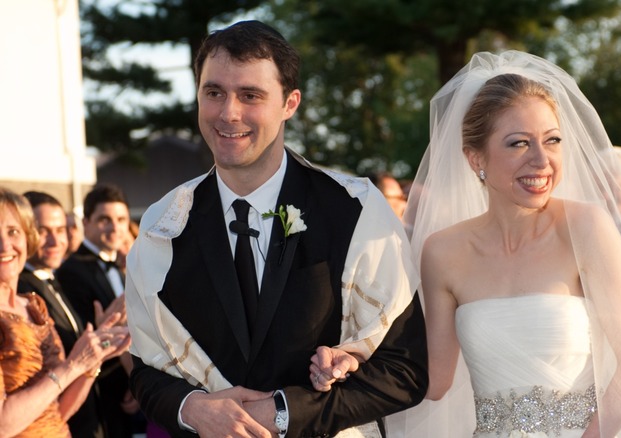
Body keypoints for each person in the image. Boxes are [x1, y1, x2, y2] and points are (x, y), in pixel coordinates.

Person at [124, 20, 427, 437]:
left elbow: (404, 370)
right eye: (214, 93)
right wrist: (193, 409)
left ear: (290, 103)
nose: (228, 113)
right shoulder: (164, 226)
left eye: (250, 95)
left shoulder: (354, 210)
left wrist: (284, 412)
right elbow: (145, 370)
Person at [381, 51, 621, 437]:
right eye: (519, 143)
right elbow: (435, 380)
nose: (542, 160)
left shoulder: (586, 228)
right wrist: (354, 355)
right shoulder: (442, 251)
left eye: (552, 140)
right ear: (475, 158)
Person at [0, 187, 129, 437]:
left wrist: (94, 358)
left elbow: (57, 411)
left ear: (27, 236)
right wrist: (73, 365)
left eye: (13, 231)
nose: (5, 245)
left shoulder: (34, 306)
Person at [57, 184, 141, 438]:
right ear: (86, 222)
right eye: (105, 219)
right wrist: (133, 384)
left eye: (121, 219)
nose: (115, 227)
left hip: (131, 388)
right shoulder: (72, 272)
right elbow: (84, 336)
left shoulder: (124, 264)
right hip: (99, 394)